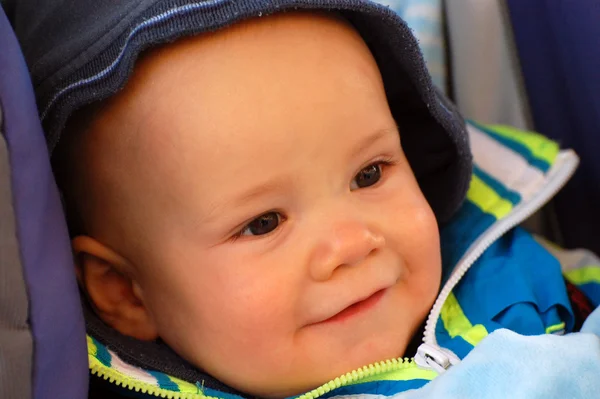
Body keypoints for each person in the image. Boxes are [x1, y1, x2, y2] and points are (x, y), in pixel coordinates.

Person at [6, 1, 600, 398]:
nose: (350, 244)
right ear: (126, 293)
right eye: (263, 223)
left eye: (369, 174)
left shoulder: (513, 269)